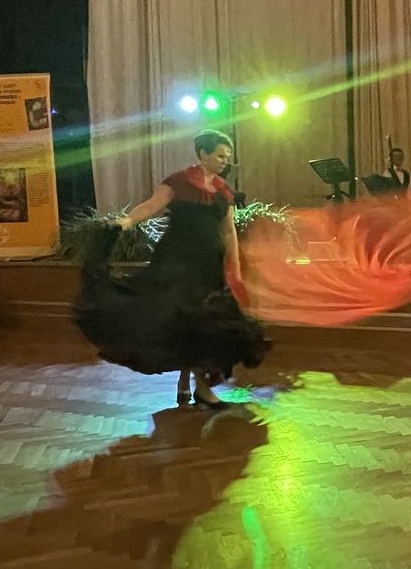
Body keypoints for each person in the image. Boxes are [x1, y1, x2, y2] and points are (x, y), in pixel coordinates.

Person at [72, 129, 268, 407]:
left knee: (203, 324)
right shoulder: (179, 182)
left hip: (207, 264)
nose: (225, 161)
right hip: (176, 262)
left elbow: (228, 231)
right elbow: (152, 206)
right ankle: (197, 388)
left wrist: (234, 264)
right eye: (220, 156)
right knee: (181, 320)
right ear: (203, 154)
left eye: (227, 156)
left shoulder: (223, 190)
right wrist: (126, 222)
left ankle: (192, 385)